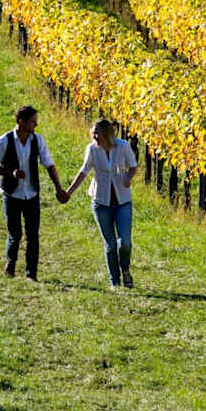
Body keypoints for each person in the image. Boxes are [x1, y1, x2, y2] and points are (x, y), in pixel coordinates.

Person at [0, 105, 67, 281]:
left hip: (31, 194)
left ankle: (31, 273)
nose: (36, 125)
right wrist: (11, 173)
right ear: (21, 122)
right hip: (12, 194)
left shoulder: (37, 141)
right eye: (33, 122)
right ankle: (11, 262)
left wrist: (58, 188)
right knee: (15, 233)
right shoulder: (4, 141)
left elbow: (49, 164)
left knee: (33, 235)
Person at [62, 119, 138, 289]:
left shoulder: (123, 146)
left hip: (123, 201)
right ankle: (115, 282)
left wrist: (128, 177)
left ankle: (125, 270)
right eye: (93, 132)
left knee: (125, 242)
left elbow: (133, 166)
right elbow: (84, 171)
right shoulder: (92, 149)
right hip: (101, 202)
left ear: (108, 133)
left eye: (99, 133)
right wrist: (68, 192)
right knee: (110, 244)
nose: (95, 136)